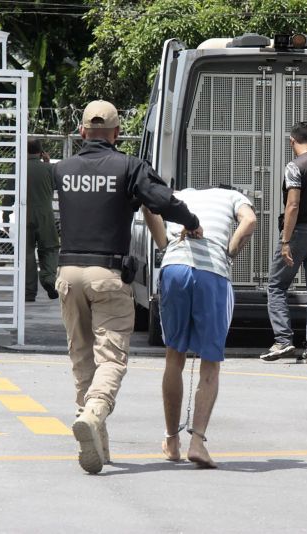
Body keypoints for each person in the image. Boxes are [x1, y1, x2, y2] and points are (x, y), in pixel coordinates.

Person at [54, 100, 202, 474]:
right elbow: (160, 200)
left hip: (68, 273)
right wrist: (191, 221)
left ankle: (97, 444)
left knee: (81, 357)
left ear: (82, 131)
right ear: (117, 133)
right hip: (108, 275)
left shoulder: (64, 169)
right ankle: (93, 413)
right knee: (112, 358)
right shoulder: (129, 166)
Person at [146, 187, 256, 468]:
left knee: (174, 355)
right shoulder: (234, 197)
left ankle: (171, 441)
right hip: (212, 273)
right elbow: (250, 220)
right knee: (210, 362)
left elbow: (149, 208)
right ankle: (197, 442)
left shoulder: (179, 194)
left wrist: (163, 244)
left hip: (174, 267)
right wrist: (230, 251)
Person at [260, 121, 307, 364]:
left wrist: (286, 240)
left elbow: (292, 205)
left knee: (276, 286)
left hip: (298, 233)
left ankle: (283, 340)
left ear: (291, 141)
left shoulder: (294, 167)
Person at [24, 139, 60, 302]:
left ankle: (29, 292)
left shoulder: (19, 168)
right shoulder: (49, 169)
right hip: (45, 215)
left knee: (27, 254)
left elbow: (9, 194)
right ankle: (49, 280)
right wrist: (47, 162)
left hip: (25, 214)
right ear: (41, 151)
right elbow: (56, 185)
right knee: (50, 249)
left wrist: (5, 213)